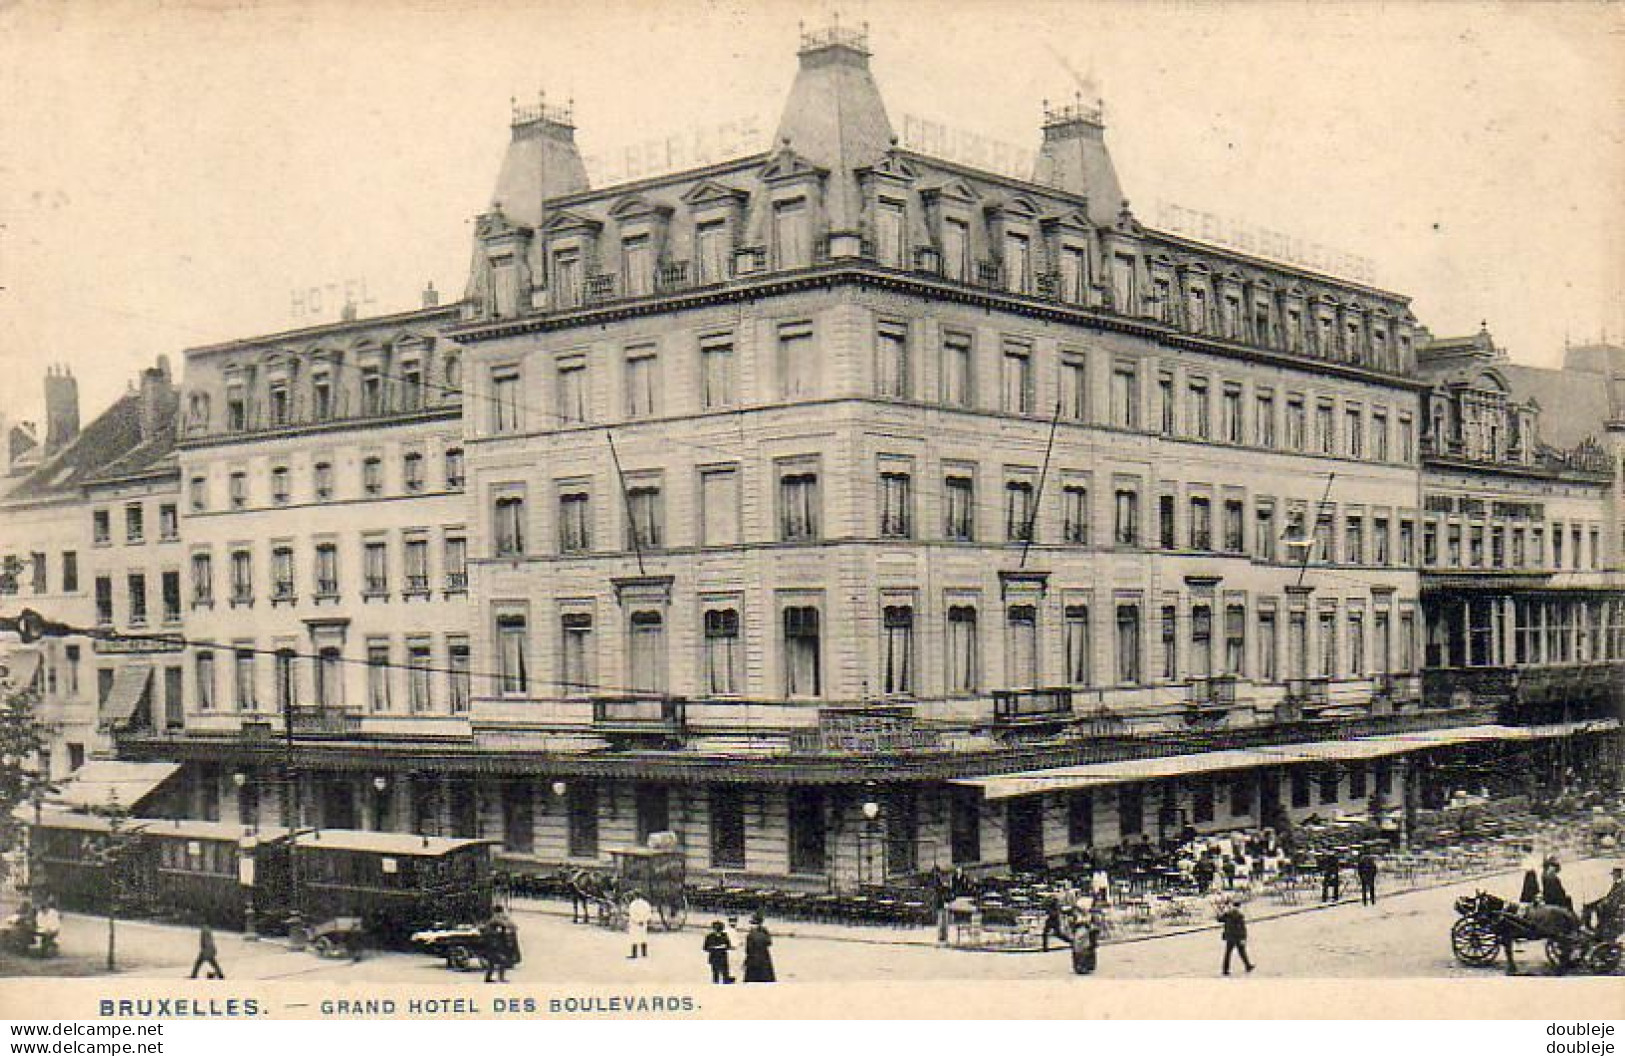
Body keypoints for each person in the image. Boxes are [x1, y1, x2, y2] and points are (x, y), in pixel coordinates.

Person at [1216, 899, 1254, 976]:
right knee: (1242, 952)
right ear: (1239, 907)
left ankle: (1225, 970)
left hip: (1230, 937)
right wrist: (1244, 937)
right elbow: (1242, 928)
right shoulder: (1239, 916)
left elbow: (1219, 919)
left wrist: (1219, 911)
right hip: (1237, 937)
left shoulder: (1228, 914)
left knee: (1228, 953)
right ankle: (1248, 966)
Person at [481, 907, 518, 983]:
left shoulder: (494, 918)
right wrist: (509, 921)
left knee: (492, 962)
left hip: (491, 942)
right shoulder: (496, 918)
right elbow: (507, 924)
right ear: (499, 912)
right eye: (501, 912)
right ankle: (500, 978)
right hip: (493, 942)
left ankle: (488, 978)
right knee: (502, 960)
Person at [743, 913, 775, 983]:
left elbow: (748, 949)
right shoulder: (765, 931)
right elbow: (769, 943)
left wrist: (746, 960)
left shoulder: (751, 934)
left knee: (752, 978)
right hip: (764, 956)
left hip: (753, 957)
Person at [626, 892, 653, 959]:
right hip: (643, 923)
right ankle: (644, 953)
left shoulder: (633, 904)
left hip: (635, 923)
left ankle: (634, 954)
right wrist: (644, 920)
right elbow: (649, 913)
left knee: (634, 938)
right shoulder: (646, 904)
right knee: (643, 937)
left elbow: (632, 914)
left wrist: (637, 921)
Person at [723, 915, 744, 983]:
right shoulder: (726, 931)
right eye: (732, 921)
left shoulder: (734, 931)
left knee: (733, 967)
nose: (733, 923)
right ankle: (729, 979)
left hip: (734, 951)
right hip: (730, 950)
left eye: (734, 921)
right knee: (730, 966)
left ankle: (730, 979)